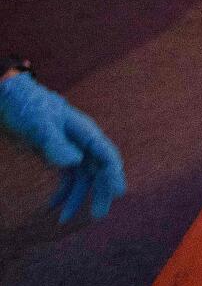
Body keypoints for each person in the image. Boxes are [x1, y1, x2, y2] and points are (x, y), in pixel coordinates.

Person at [2, 56, 126, 223]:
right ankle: (95, 177)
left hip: (47, 109)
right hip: (43, 111)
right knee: (88, 154)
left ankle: (98, 176)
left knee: (90, 154)